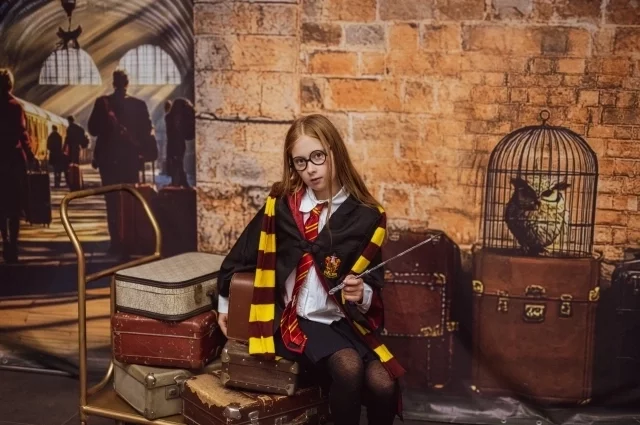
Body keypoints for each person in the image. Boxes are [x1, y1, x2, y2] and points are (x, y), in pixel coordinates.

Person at [216, 114, 405, 425]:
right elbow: (242, 256)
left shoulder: (364, 216)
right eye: (300, 162)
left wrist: (361, 292)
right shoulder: (282, 206)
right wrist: (225, 303)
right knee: (348, 366)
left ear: (335, 152)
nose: (311, 169)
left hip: (342, 321)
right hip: (294, 320)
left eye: (318, 156)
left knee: (384, 382)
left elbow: (373, 282)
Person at [88, 69, 152, 256]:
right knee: (130, 199)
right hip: (130, 159)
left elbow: (92, 129)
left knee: (112, 201)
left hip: (108, 160)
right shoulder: (139, 105)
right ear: (127, 83)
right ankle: (131, 239)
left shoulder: (103, 103)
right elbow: (146, 131)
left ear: (113, 83)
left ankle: (116, 242)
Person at [0, 68, 36, 263]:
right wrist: (30, 155)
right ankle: (13, 244)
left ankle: (5, 240)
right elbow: (22, 134)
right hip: (13, 160)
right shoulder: (15, 107)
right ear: (10, 84)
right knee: (14, 206)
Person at [165, 97, 195, 187]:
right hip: (179, 143)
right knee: (178, 163)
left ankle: (177, 183)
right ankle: (181, 183)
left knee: (176, 164)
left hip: (171, 143)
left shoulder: (169, 117)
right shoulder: (178, 118)